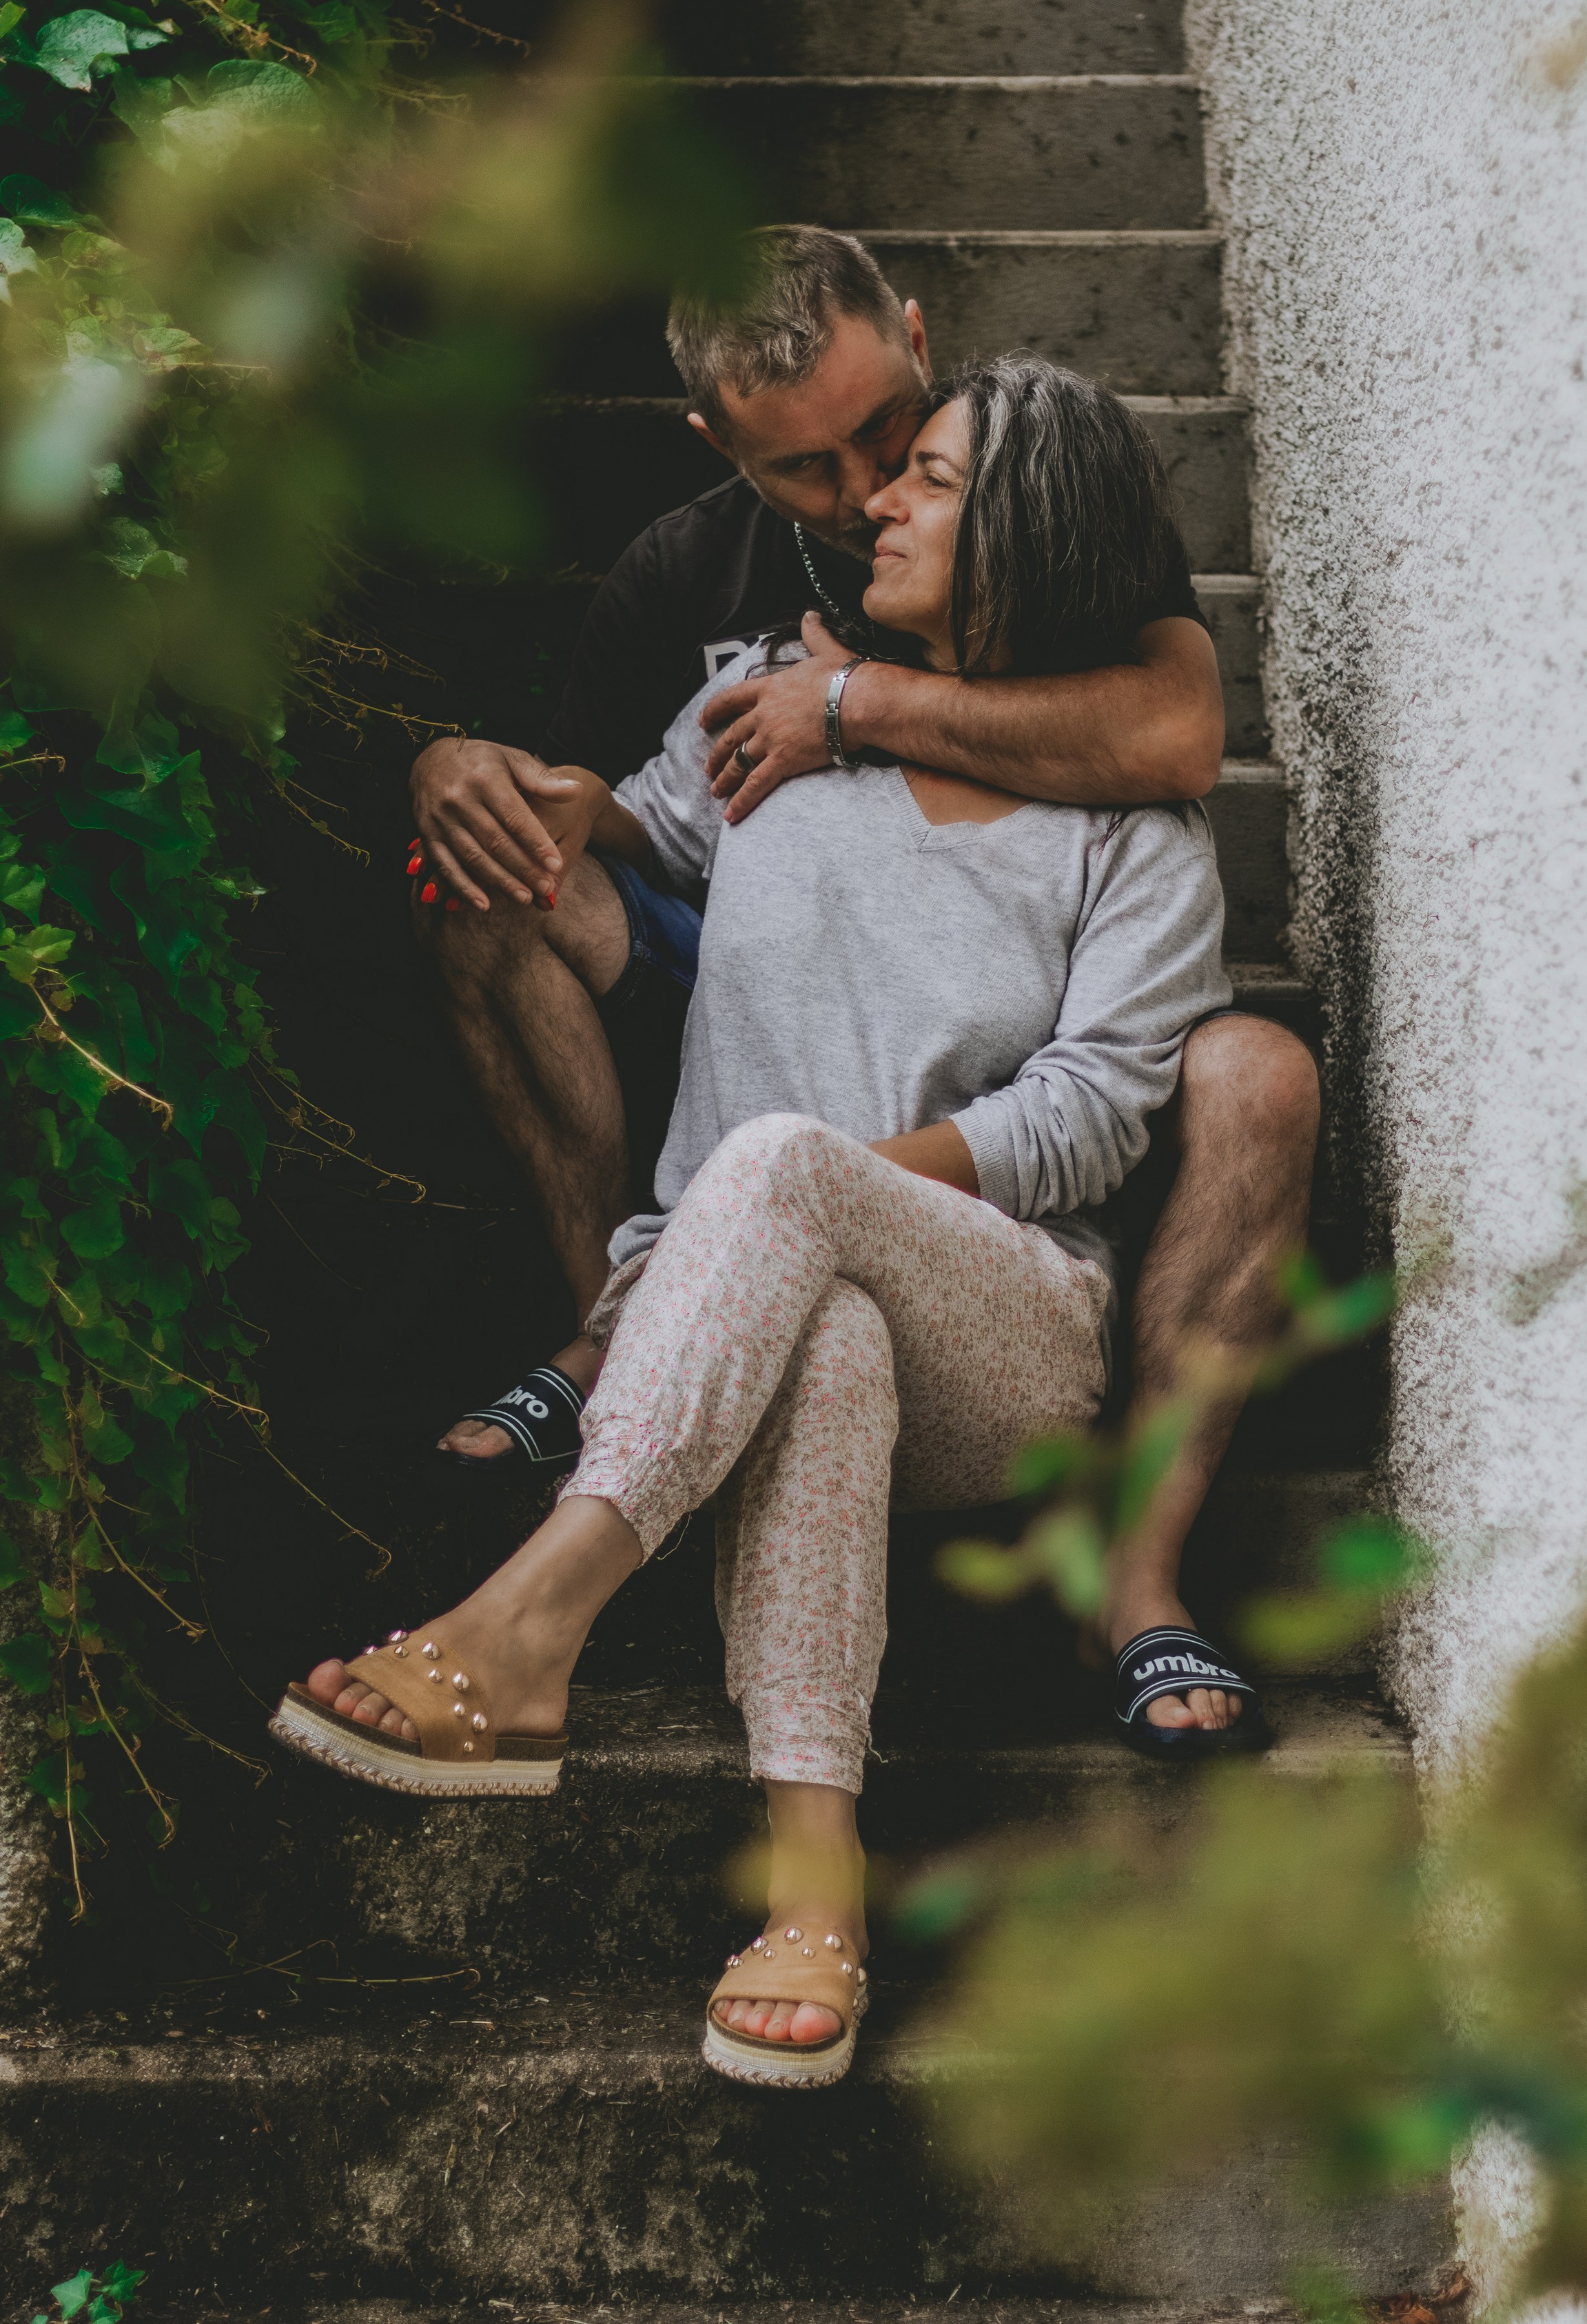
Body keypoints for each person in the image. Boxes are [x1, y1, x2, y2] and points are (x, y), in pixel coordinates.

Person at [272, 360, 1263, 2092]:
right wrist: (464, 765)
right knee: (825, 1324)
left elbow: (1097, 1114)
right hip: (769, 1322)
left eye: (929, 478)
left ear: (1027, 524)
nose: (874, 497)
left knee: (786, 1180)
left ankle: (528, 1625)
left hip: (1014, 1337)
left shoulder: (1132, 834)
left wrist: (813, 1191)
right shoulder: (753, 716)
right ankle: (814, 1888)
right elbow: (604, 831)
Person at [405, 227, 1320, 1744]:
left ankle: (1132, 1570)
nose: (862, 495)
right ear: (716, 443)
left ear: (913, 334)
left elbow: (1166, 743)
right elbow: (635, 809)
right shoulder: (686, 580)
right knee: (485, 875)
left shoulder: (1026, 466)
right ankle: (628, 1336)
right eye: (805, 472)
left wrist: (853, 700)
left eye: (892, 447)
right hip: (757, 971)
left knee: (1250, 1067)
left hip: (992, 1185)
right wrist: (465, 771)